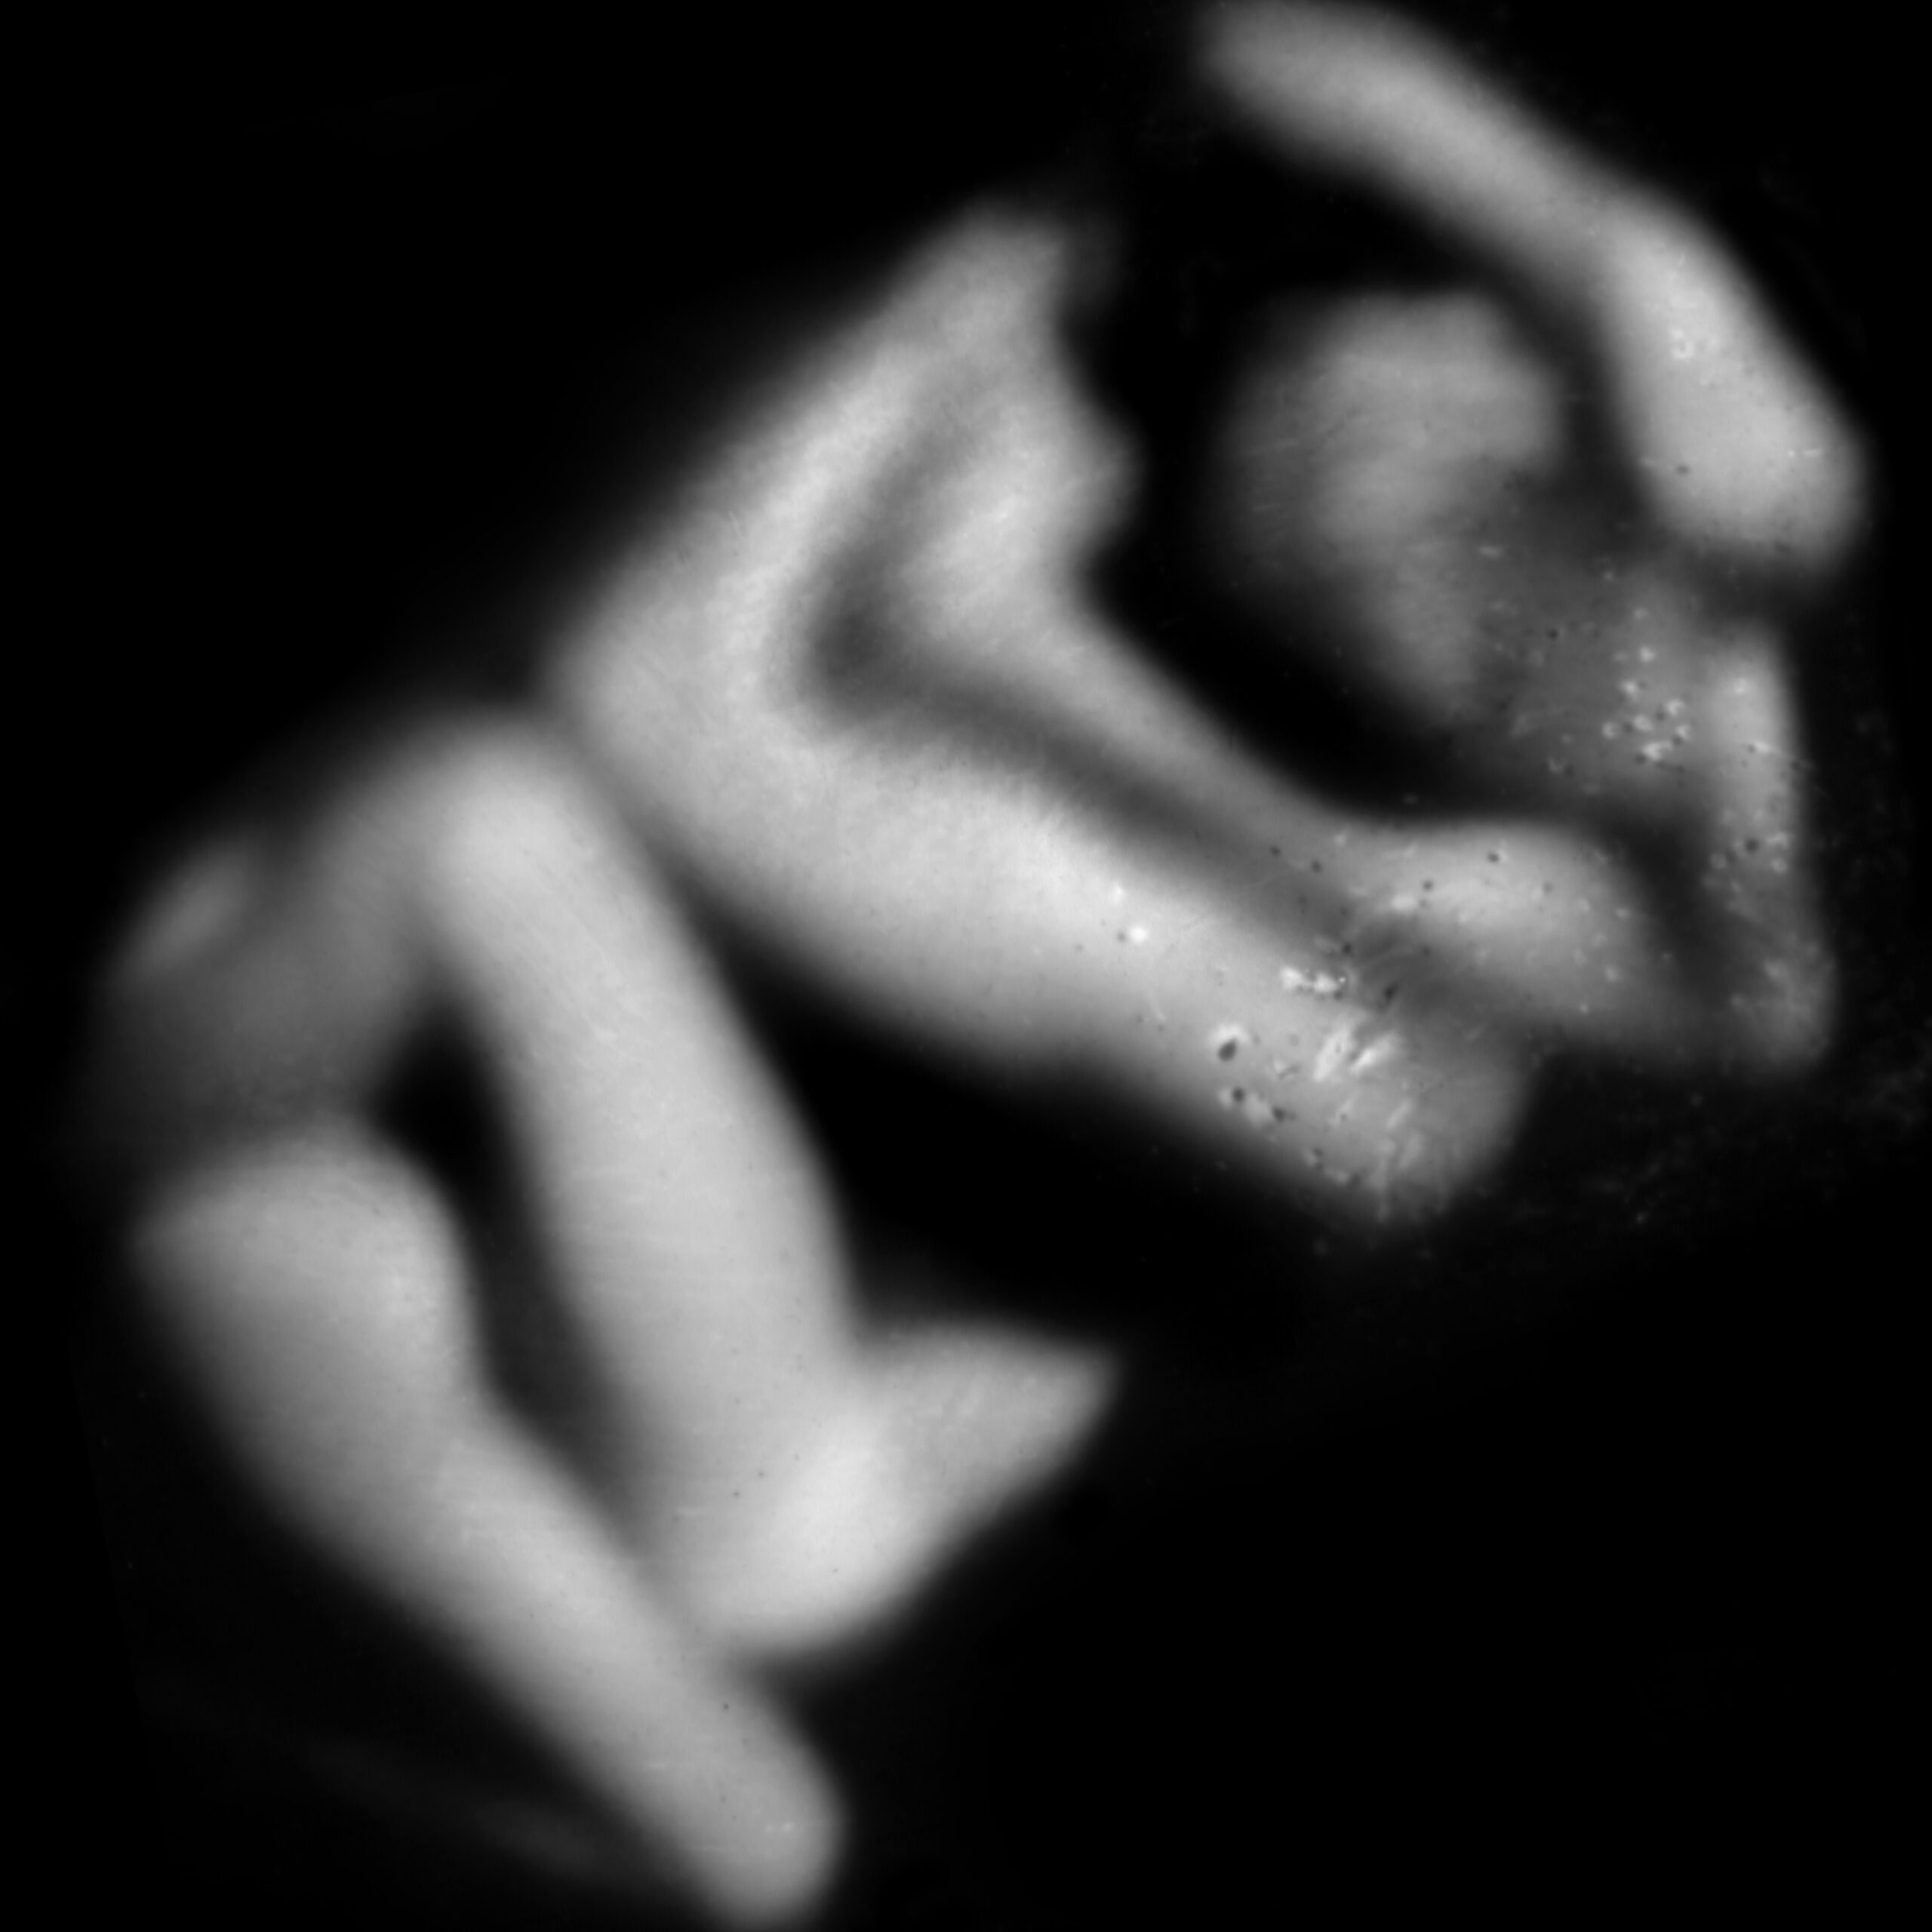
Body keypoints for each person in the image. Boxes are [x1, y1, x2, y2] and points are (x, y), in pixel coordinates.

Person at [51, 3, 1913, 1926]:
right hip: (586, 1275)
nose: (1415, 395)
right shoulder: (1247, 561)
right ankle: (715, 1820)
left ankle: (707, 1806)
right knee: (266, 1229)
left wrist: (975, 459)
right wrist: (1612, 255)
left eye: (1509, 569)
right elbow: (1258, 50)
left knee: (468, 834)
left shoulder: (1341, 1057)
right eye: (1481, 365)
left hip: (774, 1466)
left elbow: (648, 705)